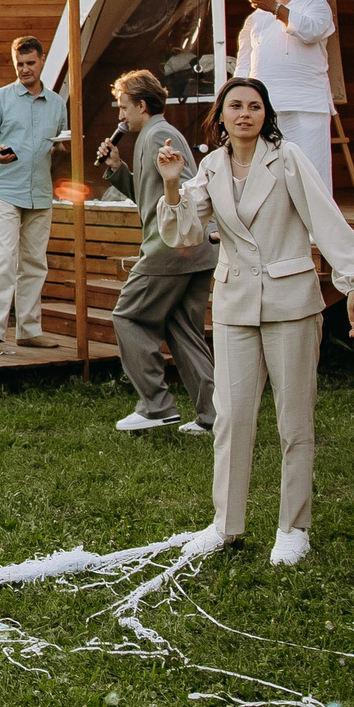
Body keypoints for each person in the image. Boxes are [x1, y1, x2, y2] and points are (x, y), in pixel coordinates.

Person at [155, 77, 354, 566]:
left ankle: (293, 527)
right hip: (237, 304)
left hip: (292, 303)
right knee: (232, 418)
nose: (244, 114)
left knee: (293, 419)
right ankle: (224, 525)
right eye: (235, 106)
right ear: (221, 115)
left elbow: (325, 219)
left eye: (254, 106)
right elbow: (184, 233)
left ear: (266, 114)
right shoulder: (211, 167)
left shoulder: (288, 159)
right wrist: (172, 182)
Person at [99, 69, 214, 437]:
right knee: (184, 331)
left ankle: (156, 406)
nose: (120, 116)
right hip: (196, 251)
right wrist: (118, 169)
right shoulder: (152, 135)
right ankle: (214, 418)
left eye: (123, 107)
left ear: (142, 105)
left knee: (128, 317)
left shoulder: (159, 135)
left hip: (172, 249)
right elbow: (154, 197)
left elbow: (183, 194)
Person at [0, 36, 67, 353]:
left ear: (41, 60)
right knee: (3, 258)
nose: (25, 69)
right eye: (20, 65)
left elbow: (61, 143)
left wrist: (63, 145)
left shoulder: (56, 103)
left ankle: (28, 330)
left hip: (41, 192)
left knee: (34, 262)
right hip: (6, 190)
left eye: (30, 63)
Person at [234, 0, 338, 193]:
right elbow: (245, 61)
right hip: (267, 106)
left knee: (311, 175)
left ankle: (317, 231)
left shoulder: (314, 1)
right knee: (272, 175)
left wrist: (275, 9)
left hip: (306, 105)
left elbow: (312, 31)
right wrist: (237, 99)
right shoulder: (257, 16)